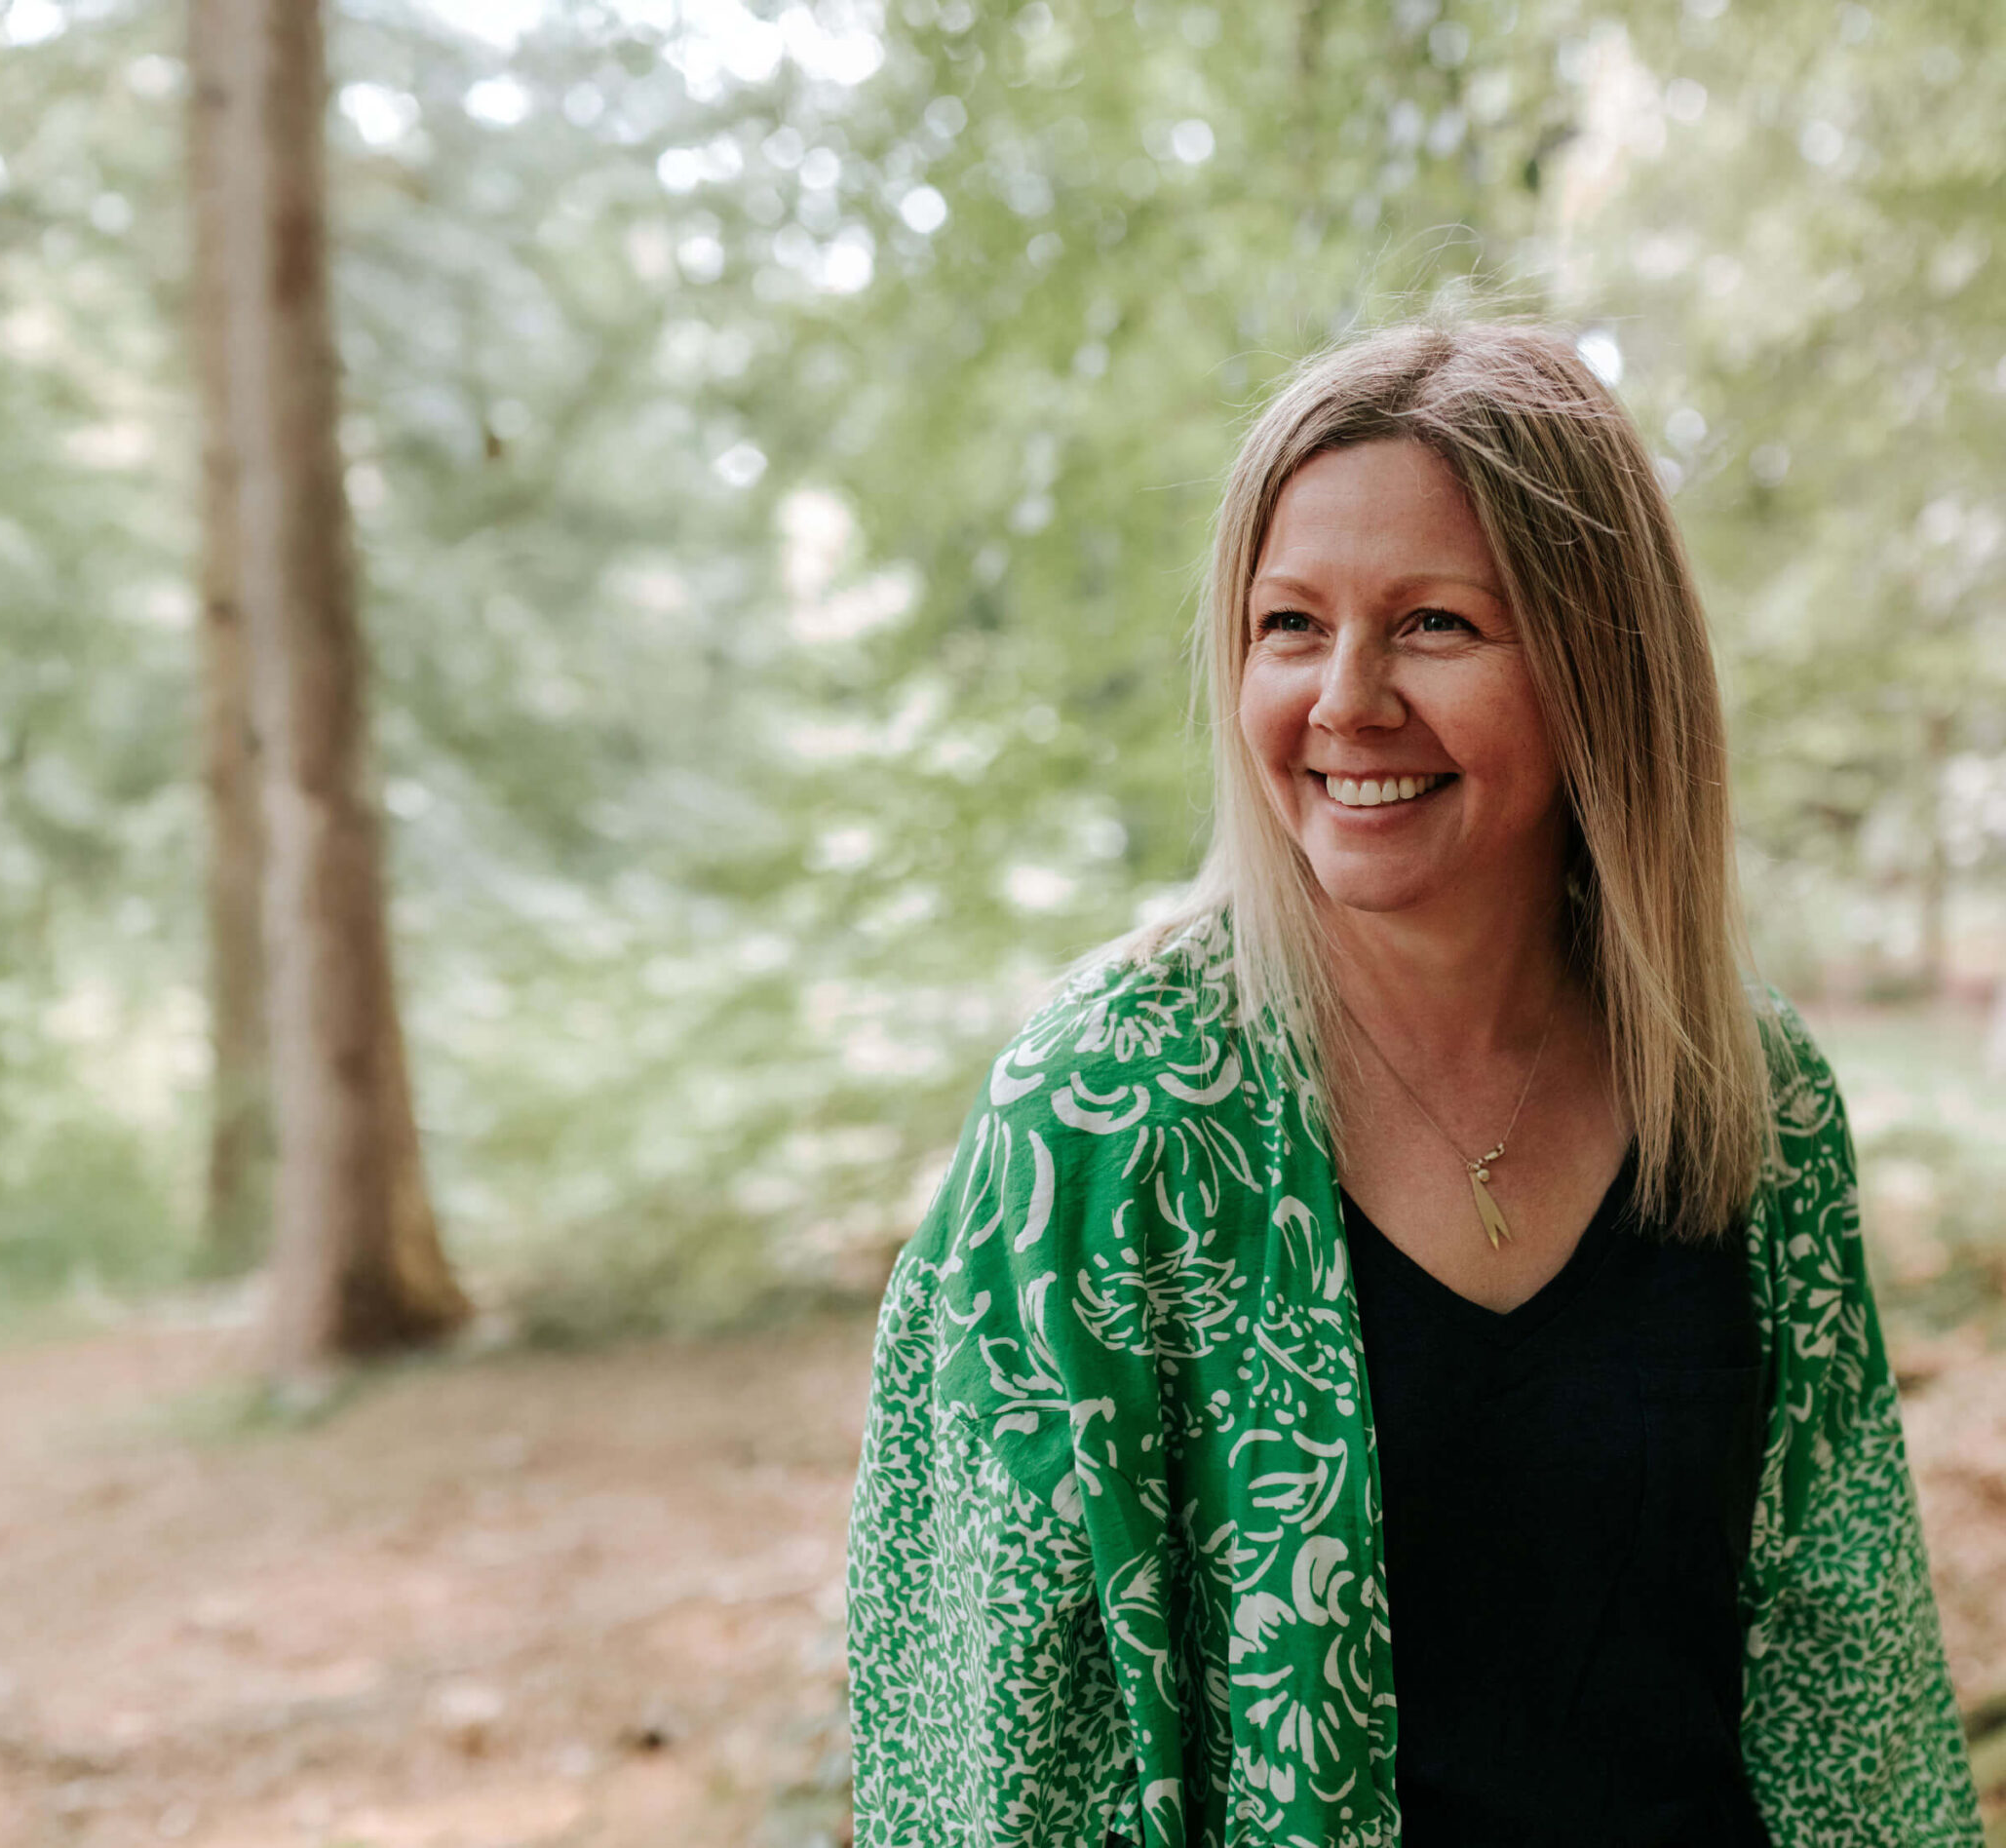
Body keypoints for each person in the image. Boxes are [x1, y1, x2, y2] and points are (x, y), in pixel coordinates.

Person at [842, 319, 1985, 1847]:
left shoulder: (1746, 1094)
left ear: (1602, 664)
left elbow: (1849, 1686)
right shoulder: (1107, 1115)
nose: (1346, 700)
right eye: (1291, 624)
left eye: (1436, 625)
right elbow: (996, 1765)